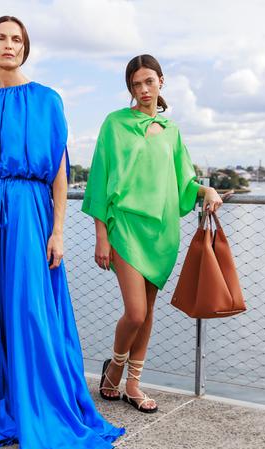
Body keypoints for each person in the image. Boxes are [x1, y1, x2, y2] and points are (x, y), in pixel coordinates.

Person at [0, 16, 124, 449]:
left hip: (28, 212)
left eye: (17, 39)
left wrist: (58, 230)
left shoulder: (46, 100)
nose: (9, 45)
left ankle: (38, 407)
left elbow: (59, 171)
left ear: (25, 49)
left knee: (30, 308)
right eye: (1, 38)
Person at [82, 54, 226, 413]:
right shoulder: (114, 124)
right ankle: (114, 368)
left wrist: (206, 191)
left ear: (161, 81)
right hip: (125, 227)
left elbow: (184, 181)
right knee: (134, 312)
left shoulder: (172, 131)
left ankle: (133, 384)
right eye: (136, 84)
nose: (143, 90)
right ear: (130, 87)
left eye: (149, 81)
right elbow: (99, 179)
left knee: (148, 313)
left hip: (161, 232)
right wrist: (101, 235)